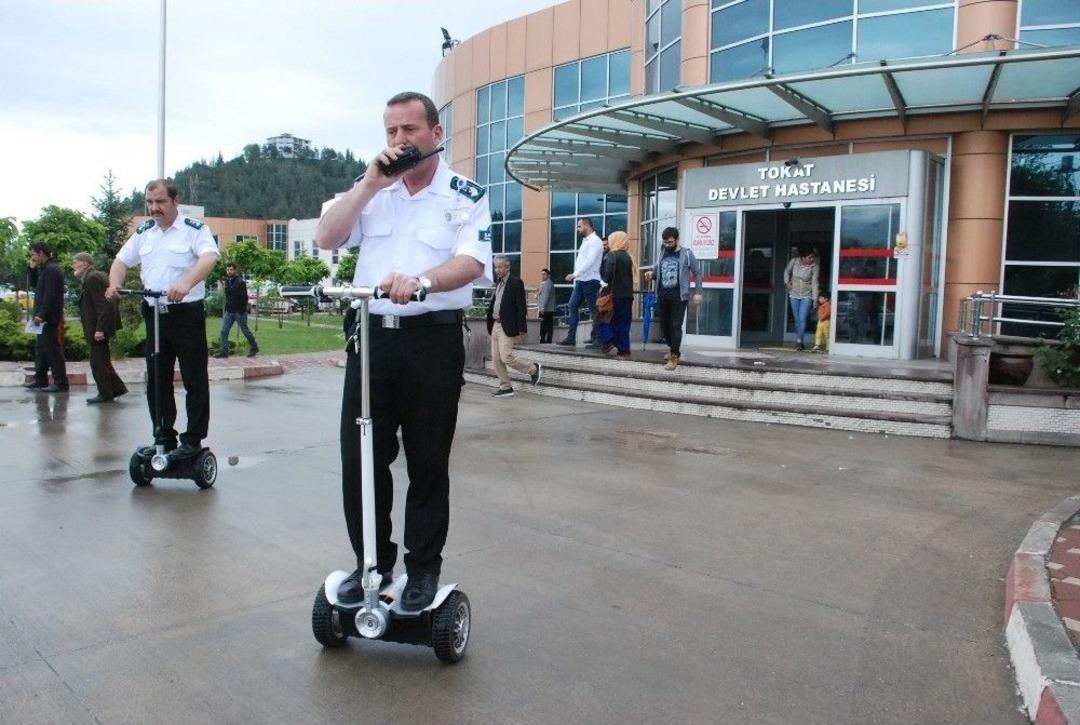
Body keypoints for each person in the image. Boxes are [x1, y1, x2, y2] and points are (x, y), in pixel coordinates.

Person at [314, 91, 492, 611]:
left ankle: (422, 572)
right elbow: (328, 236)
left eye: (410, 130)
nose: (399, 141)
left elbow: (472, 263)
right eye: (391, 132)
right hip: (370, 341)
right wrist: (370, 183)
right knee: (362, 459)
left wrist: (421, 281)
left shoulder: (465, 195)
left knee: (427, 462)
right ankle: (370, 562)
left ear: (436, 134)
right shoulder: (371, 190)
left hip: (431, 339)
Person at [106, 179, 220, 456]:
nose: (154, 208)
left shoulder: (194, 230)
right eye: (150, 202)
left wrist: (186, 283)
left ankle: (192, 441)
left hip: (186, 314)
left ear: (175, 201)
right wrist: (114, 284)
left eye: (160, 202)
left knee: (194, 378)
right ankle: (163, 436)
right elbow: (121, 261)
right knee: (157, 379)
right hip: (154, 314)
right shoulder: (144, 232)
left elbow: (209, 257)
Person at [644, 227, 703, 371]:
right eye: (665, 242)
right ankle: (672, 349)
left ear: (676, 240)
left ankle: (674, 356)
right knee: (665, 326)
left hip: (679, 296)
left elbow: (698, 273)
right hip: (662, 295)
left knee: (676, 326)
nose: (667, 245)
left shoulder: (687, 254)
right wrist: (651, 274)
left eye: (670, 242)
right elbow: (658, 272)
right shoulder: (662, 253)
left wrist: (698, 292)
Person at [72, 252, 127, 403]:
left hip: (98, 328)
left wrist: (100, 329)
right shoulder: (93, 277)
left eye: (75, 262)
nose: (73, 266)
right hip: (99, 326)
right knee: (101, 360)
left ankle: (106, 393)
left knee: (98, 362)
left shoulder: (92, 278)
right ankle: (114, 389)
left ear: (84, 263)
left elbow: (103, 304)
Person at [487, 255, 541, 397]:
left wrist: (522, 328)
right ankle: (506, 386)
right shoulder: (498, 283)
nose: (497, 270)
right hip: (495, 325)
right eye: (496, 267)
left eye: (500, 267)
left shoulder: (515, 282)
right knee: (496, 359)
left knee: (506, 357)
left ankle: (533, 369)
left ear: (507, 267)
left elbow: (521, 307)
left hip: (507, 325)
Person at [24, 242, 69, 393]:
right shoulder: (45, 269)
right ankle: (40, 379)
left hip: (48, 317)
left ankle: (61, 382)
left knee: (52, 350)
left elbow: (50, 295)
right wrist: (31, 269)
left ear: (41, 253)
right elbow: (36, 285)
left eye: (33, 255)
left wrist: (41, 314)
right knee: (41, 348)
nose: (32, 258)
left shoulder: (52, 270)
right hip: (43, 316)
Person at [556, 217, 602, 346]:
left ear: (586, 225)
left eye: (579, 226)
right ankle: (571, 338)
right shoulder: (586, 241)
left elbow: (590, 261)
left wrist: (575, 274)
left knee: (594, 310)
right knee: (572, 305)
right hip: (582, 281)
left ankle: (598, 339)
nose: (577, 229)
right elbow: (583, 261)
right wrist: (577, 275)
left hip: (591, 280)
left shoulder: (595, 241)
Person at [596, 231, 634, 358]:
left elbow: (608, 275)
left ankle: (609, 340)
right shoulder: (628, 256)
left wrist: (603, 283)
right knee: (624, 323)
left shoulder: (612, 255)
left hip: (614, 295)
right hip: (627, 295)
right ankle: (624, 350)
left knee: (604, 319)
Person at [214, 263, 259, 358]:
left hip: (239, 312)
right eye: (227, 270)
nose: (229, 271)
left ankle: (254, 347)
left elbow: (244, 298)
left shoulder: (240, 282)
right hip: (229, 312)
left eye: (231, 269)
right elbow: (227, 296)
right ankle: (224, 352)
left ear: (235, 270)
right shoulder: (227, 281)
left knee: (245, 331)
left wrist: (241, 311)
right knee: (224, 331)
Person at [783, 244, 819, 351]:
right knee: (797, 319)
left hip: (806, 295)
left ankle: (799, 341)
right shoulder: (794, 261)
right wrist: (786, 282)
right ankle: (799, 339)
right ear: (803, 257)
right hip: (794, 294)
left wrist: (815, 298)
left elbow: (814, 283)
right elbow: (786, 271)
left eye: (813, 257)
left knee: (802, 319)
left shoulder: (815, 266)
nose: (812, 259)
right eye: (809, 257)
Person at [536, 268, 555, 343]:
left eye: (544, 274)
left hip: (546, 308)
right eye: (542, 274)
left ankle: (543, 340)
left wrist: (542, 308)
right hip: (549, 308)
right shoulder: (547, 283)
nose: (542, 276)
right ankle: (548, 340)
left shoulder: (547, 283)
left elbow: (546, 296)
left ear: (548, 275)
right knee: (548, 324)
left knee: (544, 324)